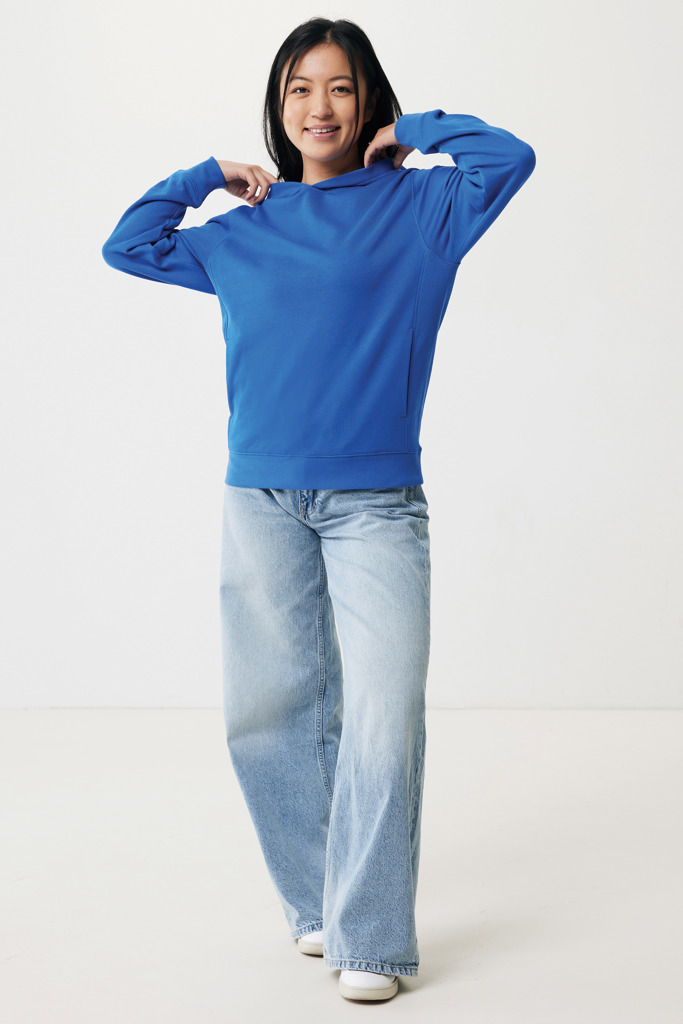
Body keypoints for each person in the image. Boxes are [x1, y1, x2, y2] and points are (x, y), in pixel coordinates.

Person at [101, 16, 535, 1004]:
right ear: (278, 104)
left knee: (381, 716)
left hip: (375, 501)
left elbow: (508, 158)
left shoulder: (422, 206)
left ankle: (370, 936)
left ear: (366, 97)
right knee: (267, 716)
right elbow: (126, 245)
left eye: (340, 86)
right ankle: (316, 902)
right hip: (259, 497)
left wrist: (409, 131)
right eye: (299, 87)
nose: (319, 106)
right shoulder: (244, 229)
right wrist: (205, 175)